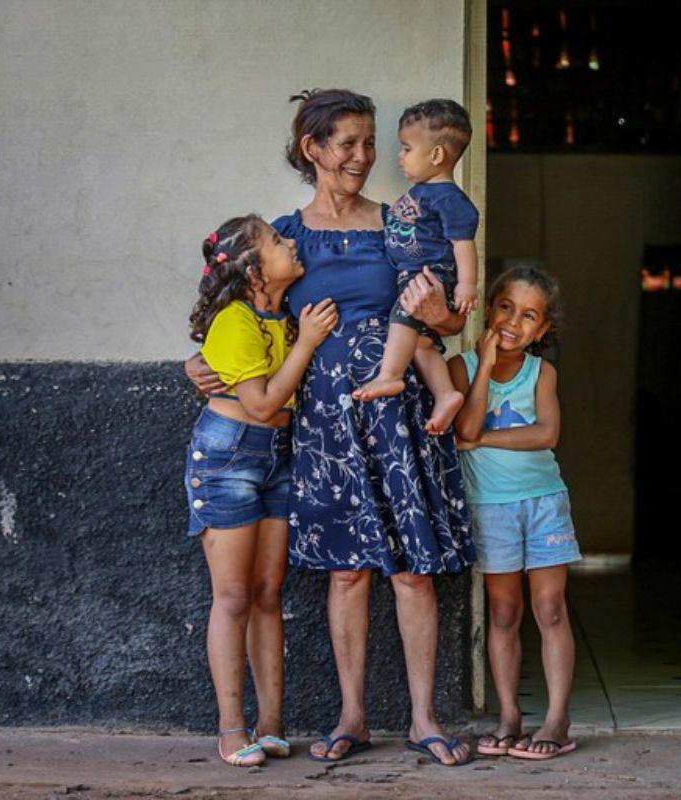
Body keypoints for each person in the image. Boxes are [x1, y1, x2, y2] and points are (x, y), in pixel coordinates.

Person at [186, 89, 476, 767]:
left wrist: (439, 316)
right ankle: (352, 716)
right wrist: (199, 361)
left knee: (413, 573)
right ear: (313, 149)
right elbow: (243, 314)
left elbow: (452, 320)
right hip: (323, 420)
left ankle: (425, 718)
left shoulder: (404, 218)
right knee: (347, 574)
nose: (363, 156)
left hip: (400, 408)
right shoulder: (287, 236)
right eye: (347, 143)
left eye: (371, 142)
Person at [184, 214, 339, 766]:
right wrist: (311, 340)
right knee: (232, 596)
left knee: (269, 591)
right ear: (254, 271)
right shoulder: (235, 320)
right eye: (277, 242)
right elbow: (263, 403)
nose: (290, 242)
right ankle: (231, 729)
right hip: (229, 455)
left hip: (277, 456)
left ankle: (272, 723)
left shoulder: (280, 314)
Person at [450, 266, 581, 761]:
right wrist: (483, 365)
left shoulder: (542, 372)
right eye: (506, 307)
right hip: (491, 508)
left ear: (542, 330)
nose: (513, 322)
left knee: (550, 609)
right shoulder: (460, 368)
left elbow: (545, 434)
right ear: (489, 309)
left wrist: (481, 439)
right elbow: (463, 420)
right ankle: (508, 714)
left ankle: (557, 717)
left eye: (529, 316)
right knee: (503, 612)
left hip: (544, 501)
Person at [352, 99, 479, 441]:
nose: (400, 156)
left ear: (436, 155)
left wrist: (467, 284)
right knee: (422, 342)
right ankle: (446, 393)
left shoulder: (451, 199)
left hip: (429, 274)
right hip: (414, 271)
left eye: (407, 148)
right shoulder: (423, 192)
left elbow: (463, 244)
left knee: (404, 316)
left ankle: (389, 374)